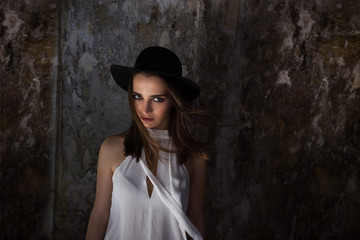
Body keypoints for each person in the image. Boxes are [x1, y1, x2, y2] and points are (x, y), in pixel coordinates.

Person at [86, 46, 208, 240]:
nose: (145, 108)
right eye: (137, 96)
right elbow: (100, 215)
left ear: (174, 100)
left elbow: (195, 222)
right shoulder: (111, 149)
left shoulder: (195, 158)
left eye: (157, 99)